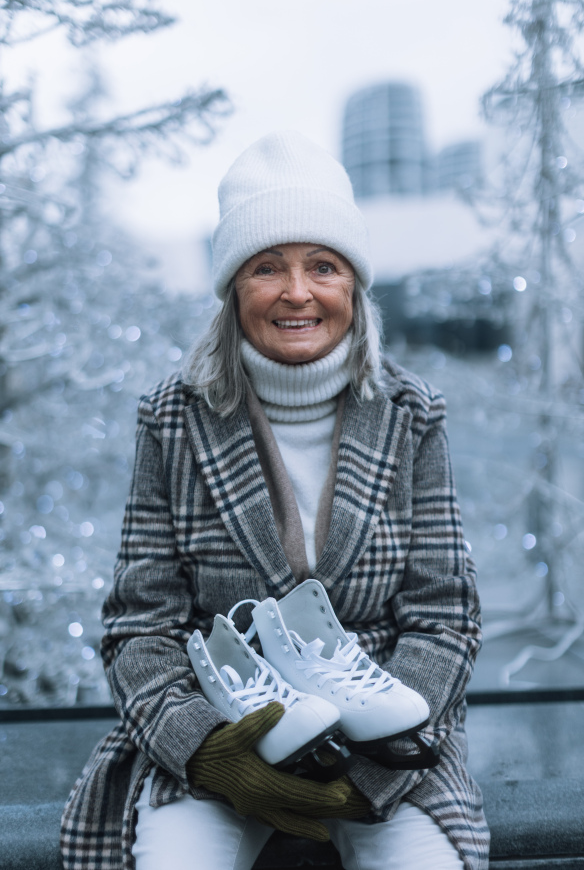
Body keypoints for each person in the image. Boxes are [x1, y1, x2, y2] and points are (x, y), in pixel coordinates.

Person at [61, 131, 489, 870]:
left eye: (323, 265)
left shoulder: (412, 413)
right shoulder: (173, 417)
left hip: (383, 742)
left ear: (352, 283)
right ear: (234, 287)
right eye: (267, 267)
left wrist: (379, 761)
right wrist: (207, 754)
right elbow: (140, 625)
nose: (298, 292)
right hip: (226, 726)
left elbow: (444, 615)